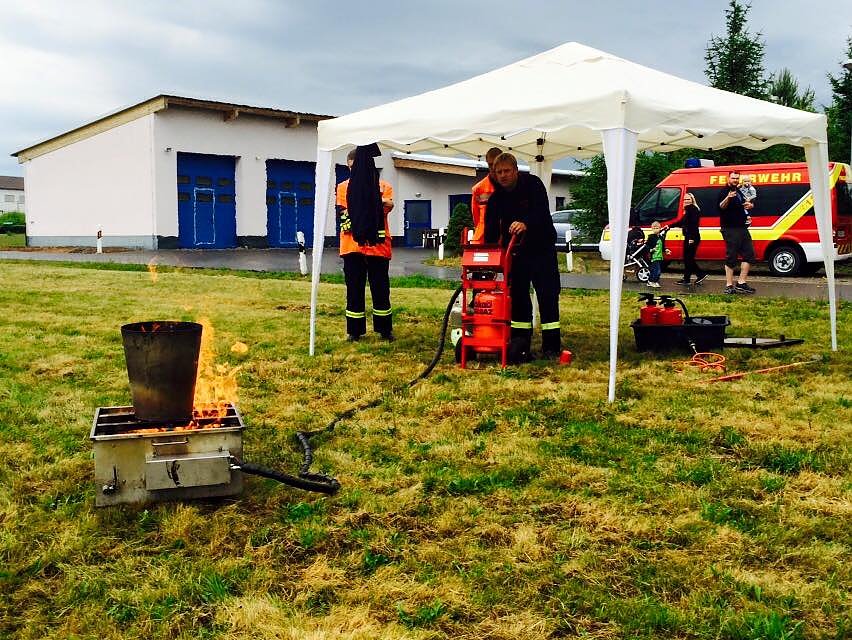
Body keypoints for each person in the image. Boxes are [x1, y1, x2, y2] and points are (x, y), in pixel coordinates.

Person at [484, 152, 561, 358]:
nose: (503, 175)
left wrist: (526, 222)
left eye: (507, 171)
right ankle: (520, 346)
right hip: (516, 254)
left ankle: (551, 347)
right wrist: (488, 256)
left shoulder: (533, 185)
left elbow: (542, 212)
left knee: (548, 296)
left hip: (542, 249)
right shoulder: (496, 198)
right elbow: (490, 231)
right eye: (498, 172)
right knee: (518, 298)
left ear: (516, 170)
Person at [336, 146, 396, 341]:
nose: (355, 171)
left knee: (380, 289)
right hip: (353, 246)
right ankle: (354, 331)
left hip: (377, 248)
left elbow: (386, 208)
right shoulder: (343, 187)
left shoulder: (384, 186)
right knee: (354, 290)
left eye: (358, 166)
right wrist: (375, 204)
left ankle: (385, 330)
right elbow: (344, 213)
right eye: (351, 167)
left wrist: (368, 205)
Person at [718, 170, 756, 294]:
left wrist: (750, 206)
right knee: (731, 256)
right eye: (733, 178)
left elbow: (744, 205)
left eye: (737, 178)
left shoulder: (739, 191)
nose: (735, 180)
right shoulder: (724, 191)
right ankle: (729, 285)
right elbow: (721, 207)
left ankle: (741, 283)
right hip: (729, 228)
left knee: (749, 255)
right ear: (728, 178)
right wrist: (728, 198)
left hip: (742, 228)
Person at [470, 147, 503, 243]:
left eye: (496, 164)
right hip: (483, 239)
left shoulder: (511, 186)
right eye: (490, 164)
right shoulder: (478, 189)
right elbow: (476, 218)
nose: (493, 168)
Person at [675, 192, 707, 285]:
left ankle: (700, 274)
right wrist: (669, 226)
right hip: (689, 236)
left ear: (692, 200)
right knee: (687, 259)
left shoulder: (692, 209)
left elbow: (693, 225)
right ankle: (687, 279)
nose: (686, 201)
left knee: (688, 259)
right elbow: (681, 222)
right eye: (685, 199)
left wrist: (691, 238)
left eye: (688, 199)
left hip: (692, 237)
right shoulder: (688, 210)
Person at [644, 221, 667, 288]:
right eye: (654, 228)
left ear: (660, 228)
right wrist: (651, 250)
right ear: (652, 228)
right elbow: (647, 245)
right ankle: (652, 281)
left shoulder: (661, 237)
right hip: (654, 256)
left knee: (656, 270)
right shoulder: (651, 237)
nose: (655, 229)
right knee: (657, 270)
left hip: (660, 256)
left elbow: (662, 246)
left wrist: (666, 250)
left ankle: (653, 281)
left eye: (657, 228)